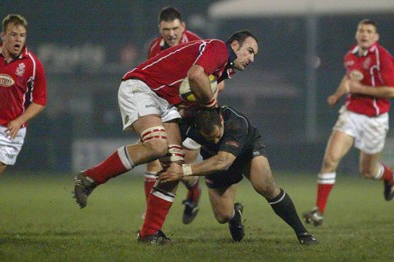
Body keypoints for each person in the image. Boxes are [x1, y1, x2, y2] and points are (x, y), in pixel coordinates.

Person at [73, 30, 258, 244]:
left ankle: (149, 234)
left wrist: (194, 111)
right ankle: (90, 177)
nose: (252, 58)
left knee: (174, 169)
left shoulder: (225, 69)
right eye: (250, 51)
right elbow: (196, 75)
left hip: (166, 103)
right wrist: (211, 108)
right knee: (157, 146)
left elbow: (189, 90)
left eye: (254, 55)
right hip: (143, 88)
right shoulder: (219, 48)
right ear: (234, 45)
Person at [158, 106, 317, 245]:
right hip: (214, 158)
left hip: (246, 152)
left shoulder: (235, 122)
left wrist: (183, 170)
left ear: (221, 120)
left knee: (265, 186)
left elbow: (224, 162)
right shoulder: (188, 126)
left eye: (217, 135)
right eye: (209, 138)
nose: (215, 140)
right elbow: (168, 141)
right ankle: (235, 216)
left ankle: (303, 233)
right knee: (223, 216)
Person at [303, 19, 394, 227]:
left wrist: (359, 88)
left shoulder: (383, 57)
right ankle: (318, 211)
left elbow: (391, 90)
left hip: (375, 120)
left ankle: (389, 177)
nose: (365, 34)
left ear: (376, 37)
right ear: (357, 34)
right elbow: (348, 79)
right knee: (330, 160)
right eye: (361, 30)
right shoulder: (350, 56)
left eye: (369, 31)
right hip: (351, 114)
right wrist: (337, 95)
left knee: (368, 172)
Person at [143, 6, 204, 224]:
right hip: (168, 114)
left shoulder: (198, 45)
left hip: (194, 116)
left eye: (175, 28)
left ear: (183, 27)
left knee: (182, 170)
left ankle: (194, 191)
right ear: (160, 28)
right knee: (154, 163)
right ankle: (149, 216)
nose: (171, 34)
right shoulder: (154, 48)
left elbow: (218, 84)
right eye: (166, 29)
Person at [0, 14, 47, 182]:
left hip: (9, 133)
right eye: (13, 34)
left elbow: (40, 101)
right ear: (3, 35)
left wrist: (19, 120)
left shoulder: (32, 65)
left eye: (22, 35)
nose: (18, 39)